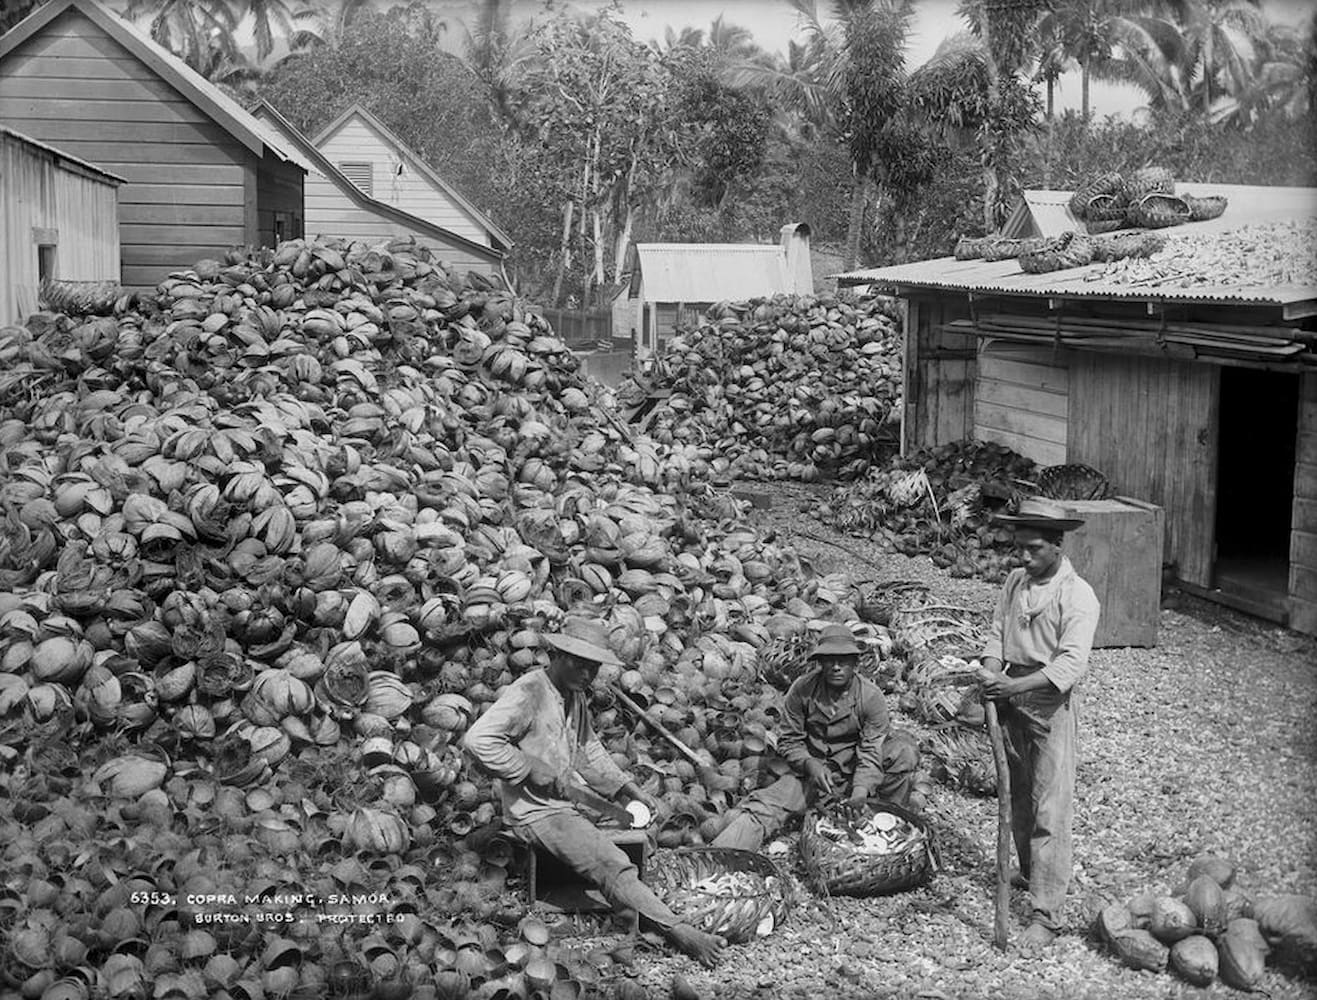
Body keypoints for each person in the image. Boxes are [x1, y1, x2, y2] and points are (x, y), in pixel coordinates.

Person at [462, 617, 725, 968]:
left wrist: (625, 790)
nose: (588, 675)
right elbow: (478, 741)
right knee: (612, 862)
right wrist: (526, 766)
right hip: (538, 813)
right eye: (580, 665)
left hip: (567, 800)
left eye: (594, 668)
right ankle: (679, 931)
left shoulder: (573, 695)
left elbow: (589, 752)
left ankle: (638, 901)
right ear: (558, 655)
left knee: (637, 826)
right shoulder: (530, 691)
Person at [979, 497, 1101, 954]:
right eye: (1019, 549)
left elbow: (1069, 665)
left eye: (1033, 549)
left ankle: (1045, 914)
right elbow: (996, 630)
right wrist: (992, 672)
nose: (1023, 558)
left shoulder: (1077, 595)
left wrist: (1013, 688)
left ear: (1057, 545)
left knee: (1051, 808)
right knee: (1020, 798)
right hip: (1009, 696)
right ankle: (1030, 874)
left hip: (1048, 704)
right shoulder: (1015, 582)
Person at [711, 624, 919, 852]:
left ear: (855, 663)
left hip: (855, 771)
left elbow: (871, 751)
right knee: (763, 807)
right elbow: (789, 741)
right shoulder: (802, 689)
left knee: (903, 752)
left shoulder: (870, 697)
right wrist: (809, 764)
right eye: (830, 660)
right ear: (820, 662)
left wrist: (860, 790)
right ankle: (718, 859)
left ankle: (889, 827)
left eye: (844, 660)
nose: (837, 667)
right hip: (812, 776)